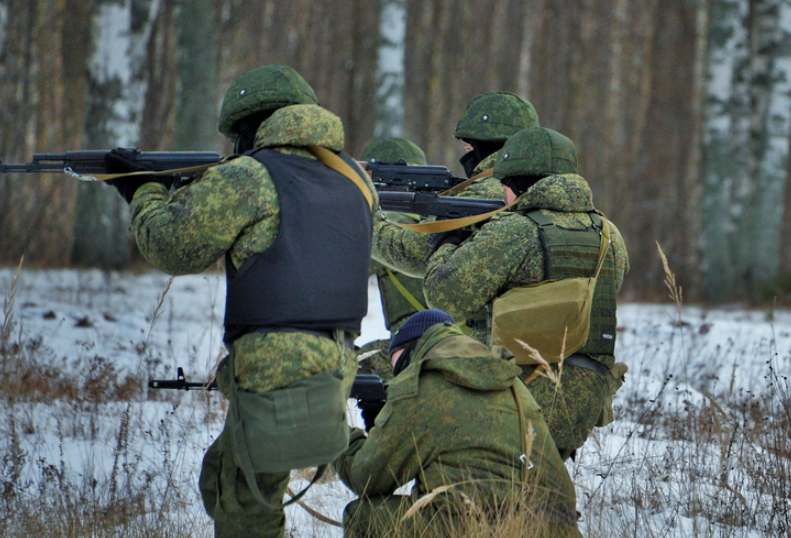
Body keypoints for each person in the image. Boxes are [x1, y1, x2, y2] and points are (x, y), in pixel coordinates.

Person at [104, 64, 376, 538]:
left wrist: (143, 189)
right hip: (335, 362)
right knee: (222, 479)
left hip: (274, 368)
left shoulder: (251, 176)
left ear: (252, 127)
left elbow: (173, 245)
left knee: (244, 501)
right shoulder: (354, 179)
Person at [423, 126, 630, 460]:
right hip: (583, 400)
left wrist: (449, 240)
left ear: (515, 182)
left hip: (519, 394)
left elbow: (444, 297)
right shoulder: (609, 233)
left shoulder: (515, 230)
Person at [335, 309, 582, 538]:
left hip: (482, 528)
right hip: (556, 528)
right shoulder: (507, 378)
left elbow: (365, 478)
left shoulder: (419, 386)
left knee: (362, 515)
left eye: (396, 360)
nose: (396, 370)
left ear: (413, 348)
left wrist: (335, 428)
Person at [370, 92, 539, 343]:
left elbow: (412, 252)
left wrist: (364, 216)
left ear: (486, 144)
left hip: (500, 346)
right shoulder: (541, 186)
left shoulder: (489, 190)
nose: (465, 154)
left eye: (468, 147)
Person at [357, 137, 429, 380]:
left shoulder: (395, 222)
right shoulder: (429, 215)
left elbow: (342, 264)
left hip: (421, 346)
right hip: (438, 338)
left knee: (345, 365)